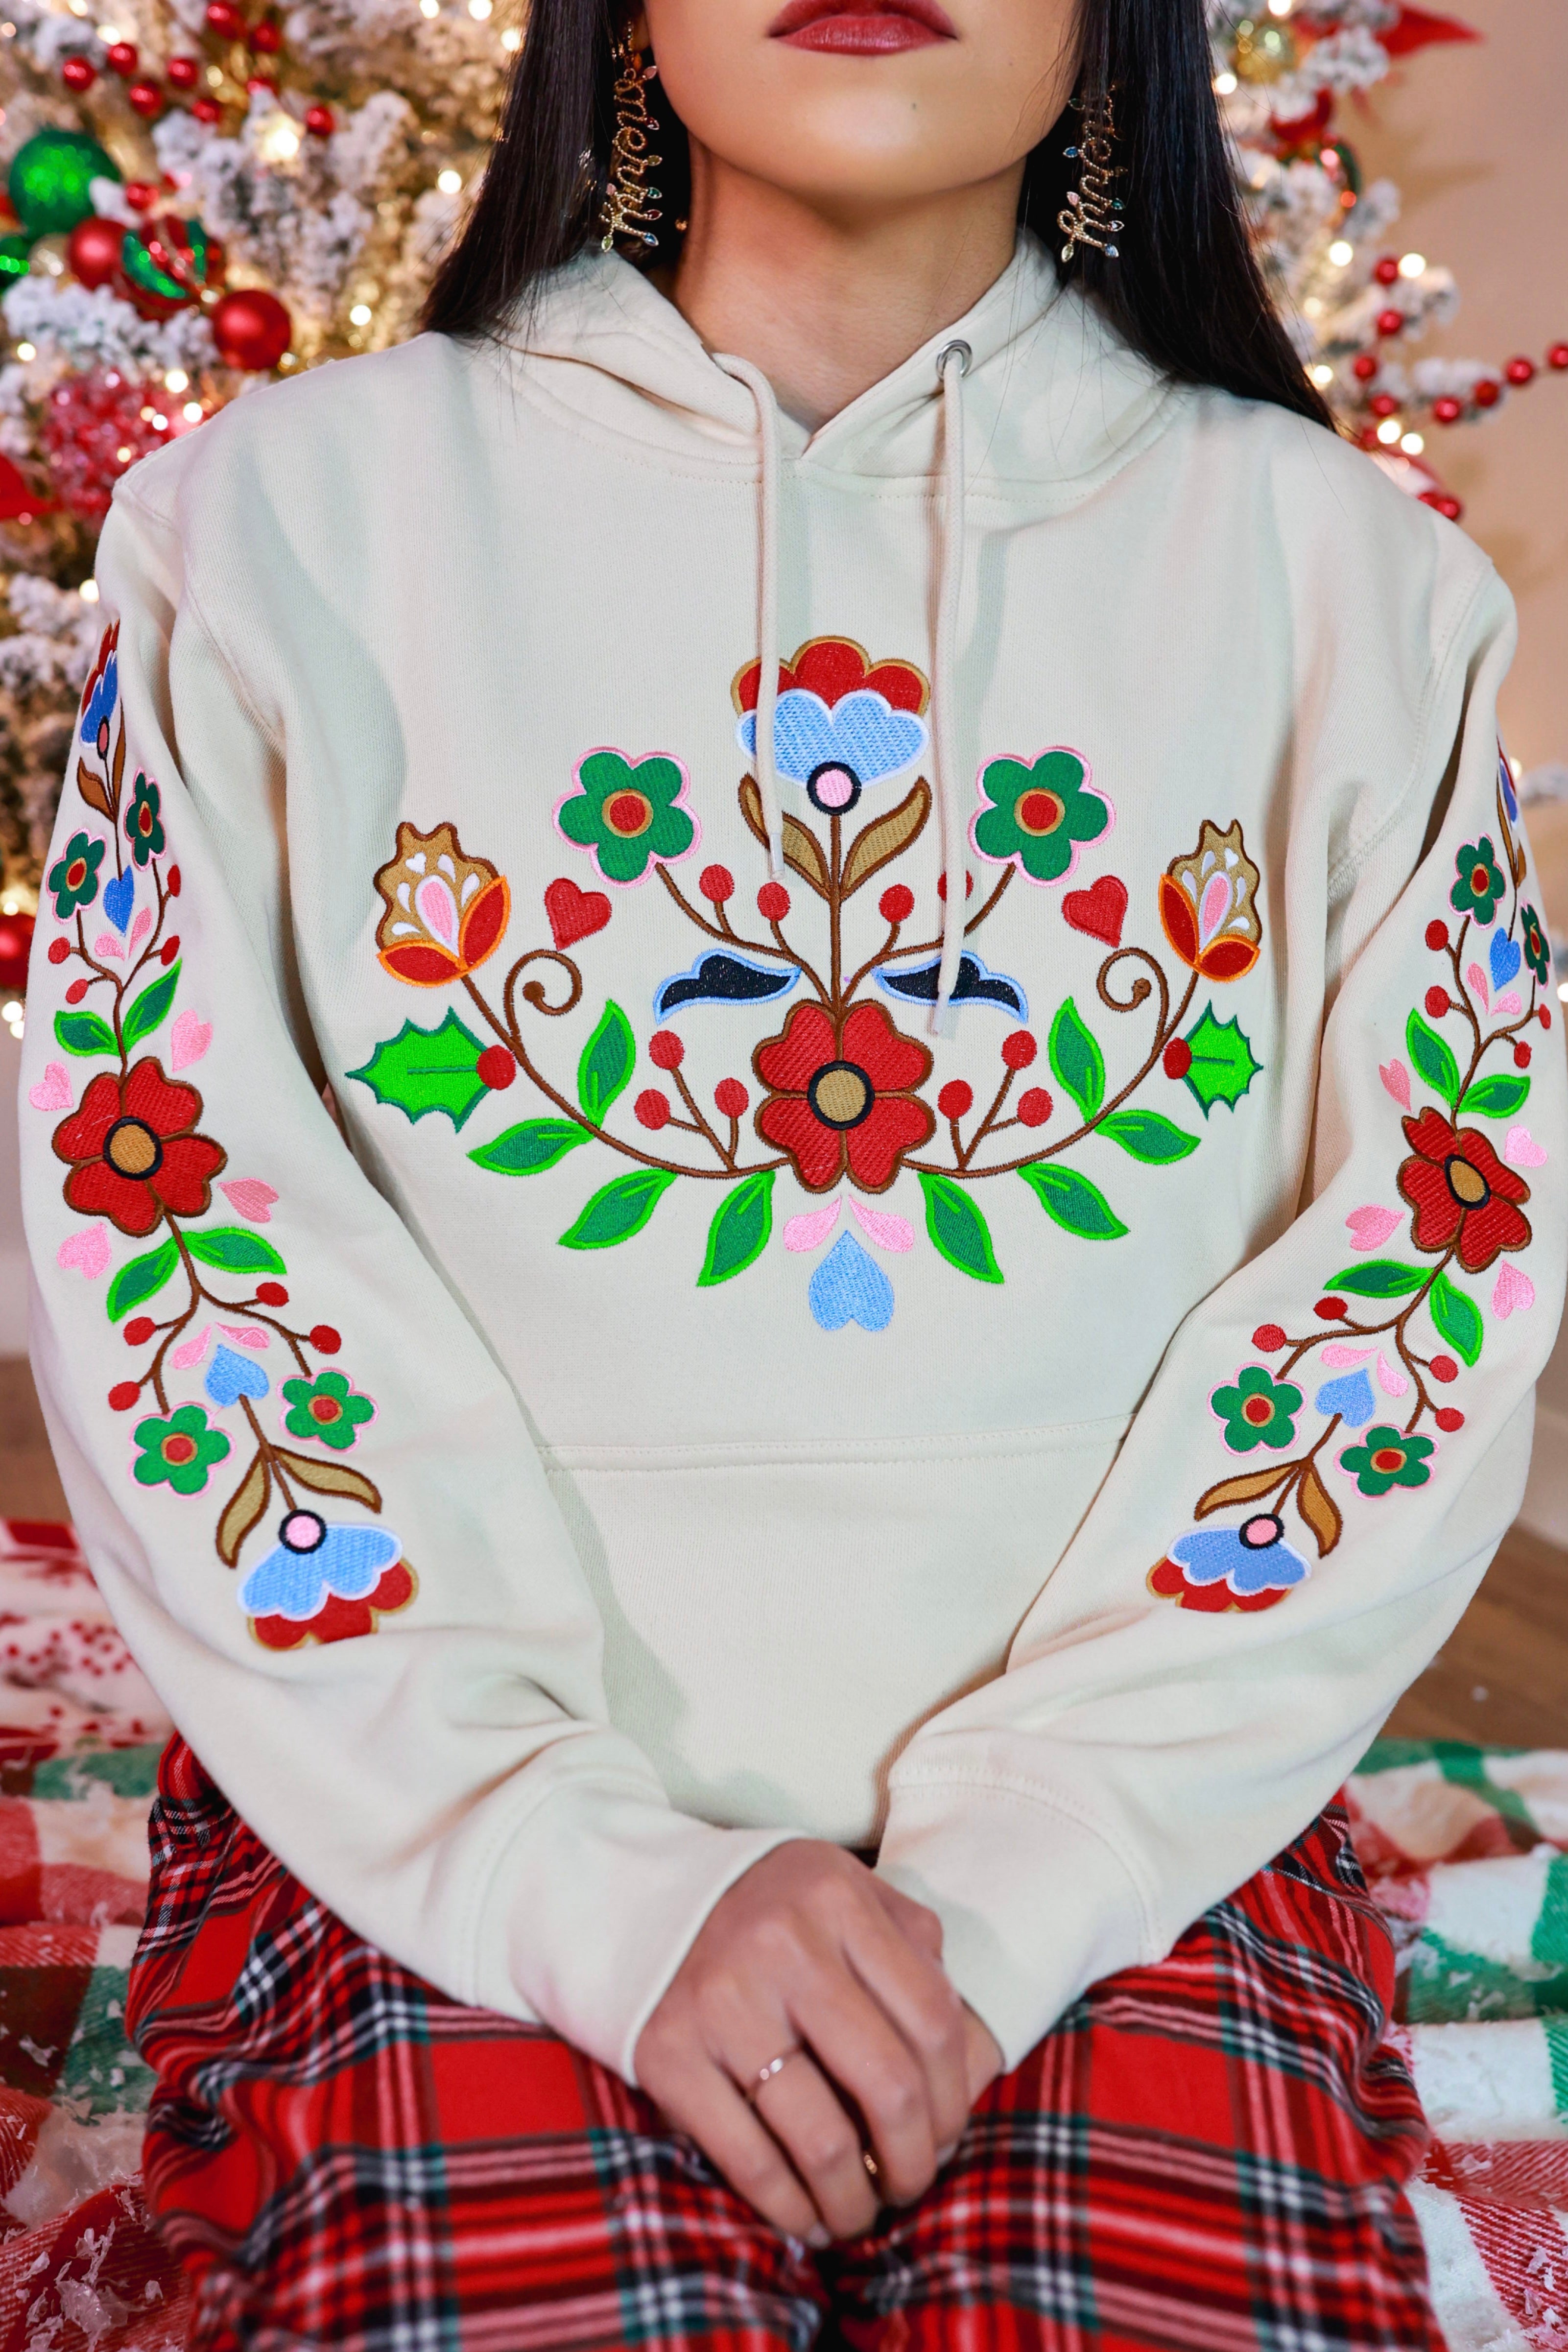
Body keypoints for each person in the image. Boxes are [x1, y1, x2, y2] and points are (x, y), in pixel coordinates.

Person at [20, 0, 1566, 2341]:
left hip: (1144, 1844)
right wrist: (580, 1879)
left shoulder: (1354, 582)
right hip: (446, 1819)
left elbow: (1415, 1297)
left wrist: (1024, 1879)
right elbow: (175, 1234)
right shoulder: (272, 529)